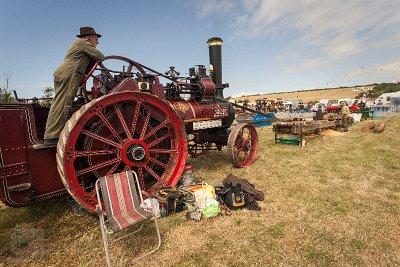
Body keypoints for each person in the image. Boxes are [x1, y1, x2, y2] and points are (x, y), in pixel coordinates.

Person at [36, 26, 105, 148]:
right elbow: (100, 56)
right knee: (62, 104)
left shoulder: (80, 45)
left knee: (60, 103)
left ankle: (53, 133)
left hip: (66, 73)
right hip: (70, 74)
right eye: (96, 38)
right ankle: (51, 136)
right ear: (88, 37)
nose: (97, 42)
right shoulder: (83, 42)